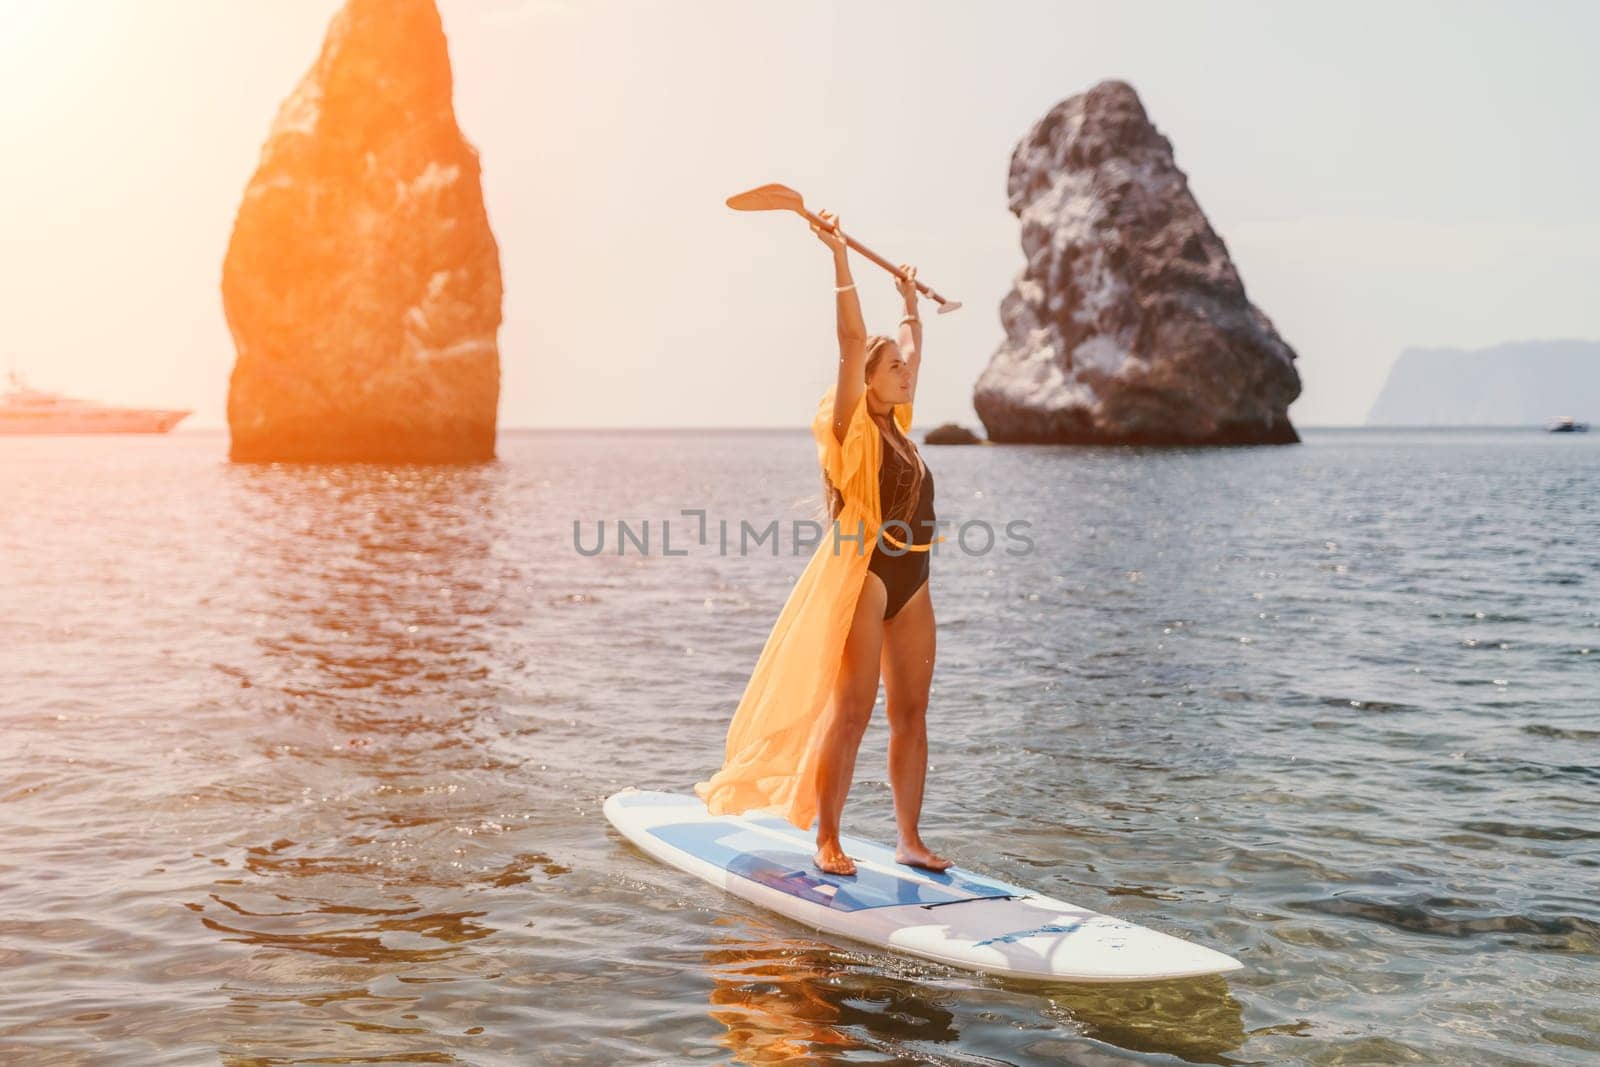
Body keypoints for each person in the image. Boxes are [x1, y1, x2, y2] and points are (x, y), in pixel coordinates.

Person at [694, 208, 951, 877]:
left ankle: (909, 840)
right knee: (852, 711)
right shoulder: (850, 430)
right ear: (867, 380)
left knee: (912, 713)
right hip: (866, 576)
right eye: (891, 367)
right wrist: (839, 254)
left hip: (915, 580)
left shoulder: (899, 422)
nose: (904, 372)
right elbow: (852, 339)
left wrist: (911, 308)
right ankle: (828, 838)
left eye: (902, 366)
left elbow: (911, 352)